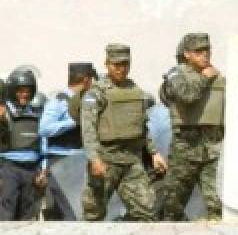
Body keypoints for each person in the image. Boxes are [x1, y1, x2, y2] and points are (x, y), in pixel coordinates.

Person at [83, 45, 165, 222]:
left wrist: (154, 152)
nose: (121, 68)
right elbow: (88, 128)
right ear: (107, 64)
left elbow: (142, 125)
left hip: (132, 162)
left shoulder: (134, 89)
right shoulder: (97, 92)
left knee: (147, 212)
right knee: (93, 214)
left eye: (125, 64)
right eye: (116, 64)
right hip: (106, 162)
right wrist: (94, 159)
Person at [160, 33, 224, 221]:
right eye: (199, 51)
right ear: (187, 54)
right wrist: (205, 78)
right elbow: (187, 96)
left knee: (217, 205)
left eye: (207, 51)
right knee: (173, 205)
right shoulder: (175, 74)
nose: (205, 55)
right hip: (185, 151)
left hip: (211, 150)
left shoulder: (217, 76)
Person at [40, 62, 97, 220]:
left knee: (75, 212)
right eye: (91, 80)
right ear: (86, 80)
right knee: (70, 213)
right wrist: (74, 121)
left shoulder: (86, 100)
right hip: (61, 162)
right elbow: (44, 128)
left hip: (78, 161)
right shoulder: (59, 100)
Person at [0, 67, 48, 221]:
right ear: (12, 91)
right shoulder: (3, 112)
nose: (24, 94)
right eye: (20, 91)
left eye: (28, 91)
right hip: (9, 170)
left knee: (28, 215)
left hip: (31, 171)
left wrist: (43, 169)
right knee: (6, 214)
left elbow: (43, 143)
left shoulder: (37, 113)